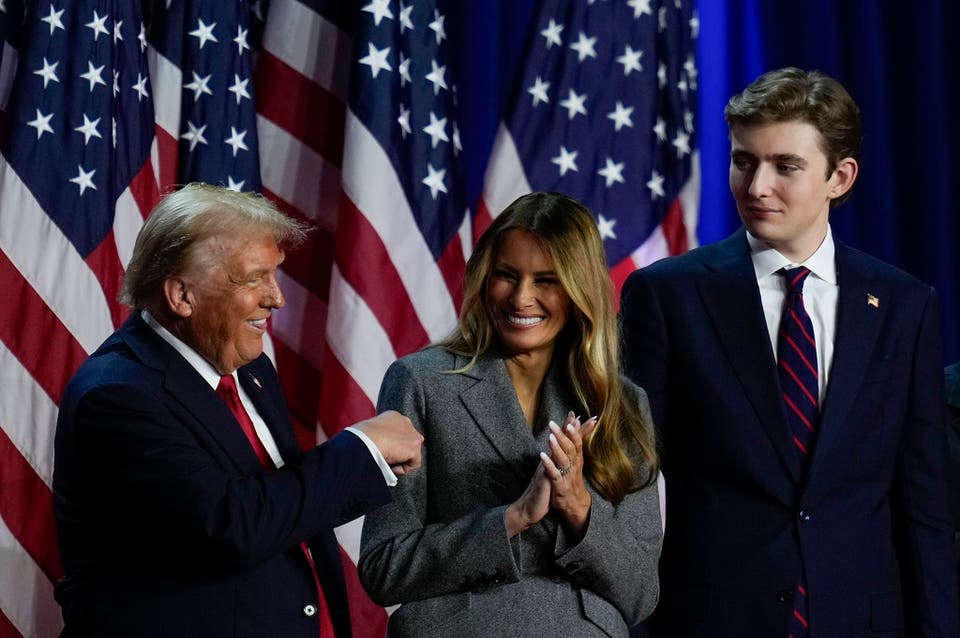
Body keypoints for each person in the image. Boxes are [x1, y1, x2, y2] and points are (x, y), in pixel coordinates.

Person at [620, 67, 959, 637]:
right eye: (744, 160)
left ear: (840, 177)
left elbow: (923, 505)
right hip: (712, 621)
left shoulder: (904, 306)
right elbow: (629, 487)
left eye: (786, 166)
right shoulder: (667, 296)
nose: (756, 187)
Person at [53, 183, 424, 637]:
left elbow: (285, 508)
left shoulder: (249, 368)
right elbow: (231, 524)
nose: (276, 298)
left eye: (274, 274)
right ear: (181, 296)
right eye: (252, 279)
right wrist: (362, 448)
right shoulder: (117, 396)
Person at [358, 192, 663, 637]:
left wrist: (577, 505)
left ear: (579, 289)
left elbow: (640, 595)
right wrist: (512, 518)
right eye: (506, 275)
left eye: (546, 280)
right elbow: (384, 567)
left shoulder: (622, 404)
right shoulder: (421, 382)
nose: (521, 298)